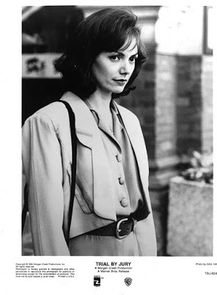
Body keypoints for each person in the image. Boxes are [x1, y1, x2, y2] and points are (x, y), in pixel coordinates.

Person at [22, 8, 157, 256]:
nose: (126, 69)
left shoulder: (131, 121)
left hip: (135, 255)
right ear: (87, 57)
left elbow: (144, 211)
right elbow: (47, 227)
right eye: (115, 57)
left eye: (132, 58)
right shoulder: (47, 122)